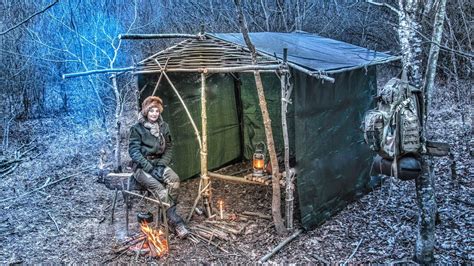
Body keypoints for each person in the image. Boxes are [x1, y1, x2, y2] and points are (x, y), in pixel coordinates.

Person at [128, 96, 189, 238]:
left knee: (174, 179)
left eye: (157, 111)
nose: (154, 114)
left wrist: (161, 165)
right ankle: (176, 222)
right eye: (151, 111)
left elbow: (169, 148)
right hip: (142, 167)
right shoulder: (137, 129)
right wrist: (149, 168)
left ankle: (166, 216)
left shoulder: (164, 126)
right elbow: (134, 152)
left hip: (159, 164)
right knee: (161, 191)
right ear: (145, 112)